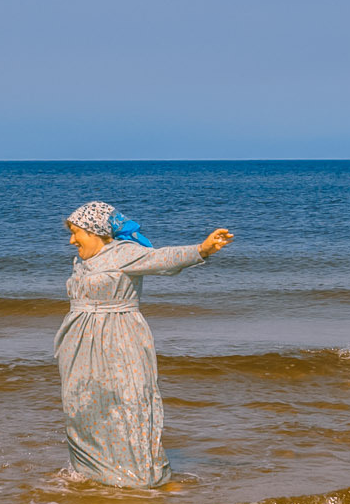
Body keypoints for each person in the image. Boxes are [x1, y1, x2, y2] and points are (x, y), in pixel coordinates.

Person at [55, 201, 233, 487]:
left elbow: (164, 259)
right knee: (82, 405)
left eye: (77, 233)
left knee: (128, 403)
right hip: (78, 344)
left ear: (96, 231)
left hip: (119, 337)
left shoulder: (125, 253)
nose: (71, 239)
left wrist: (202, 250)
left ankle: (139, 477)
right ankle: (93, 473)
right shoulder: (81, 261)